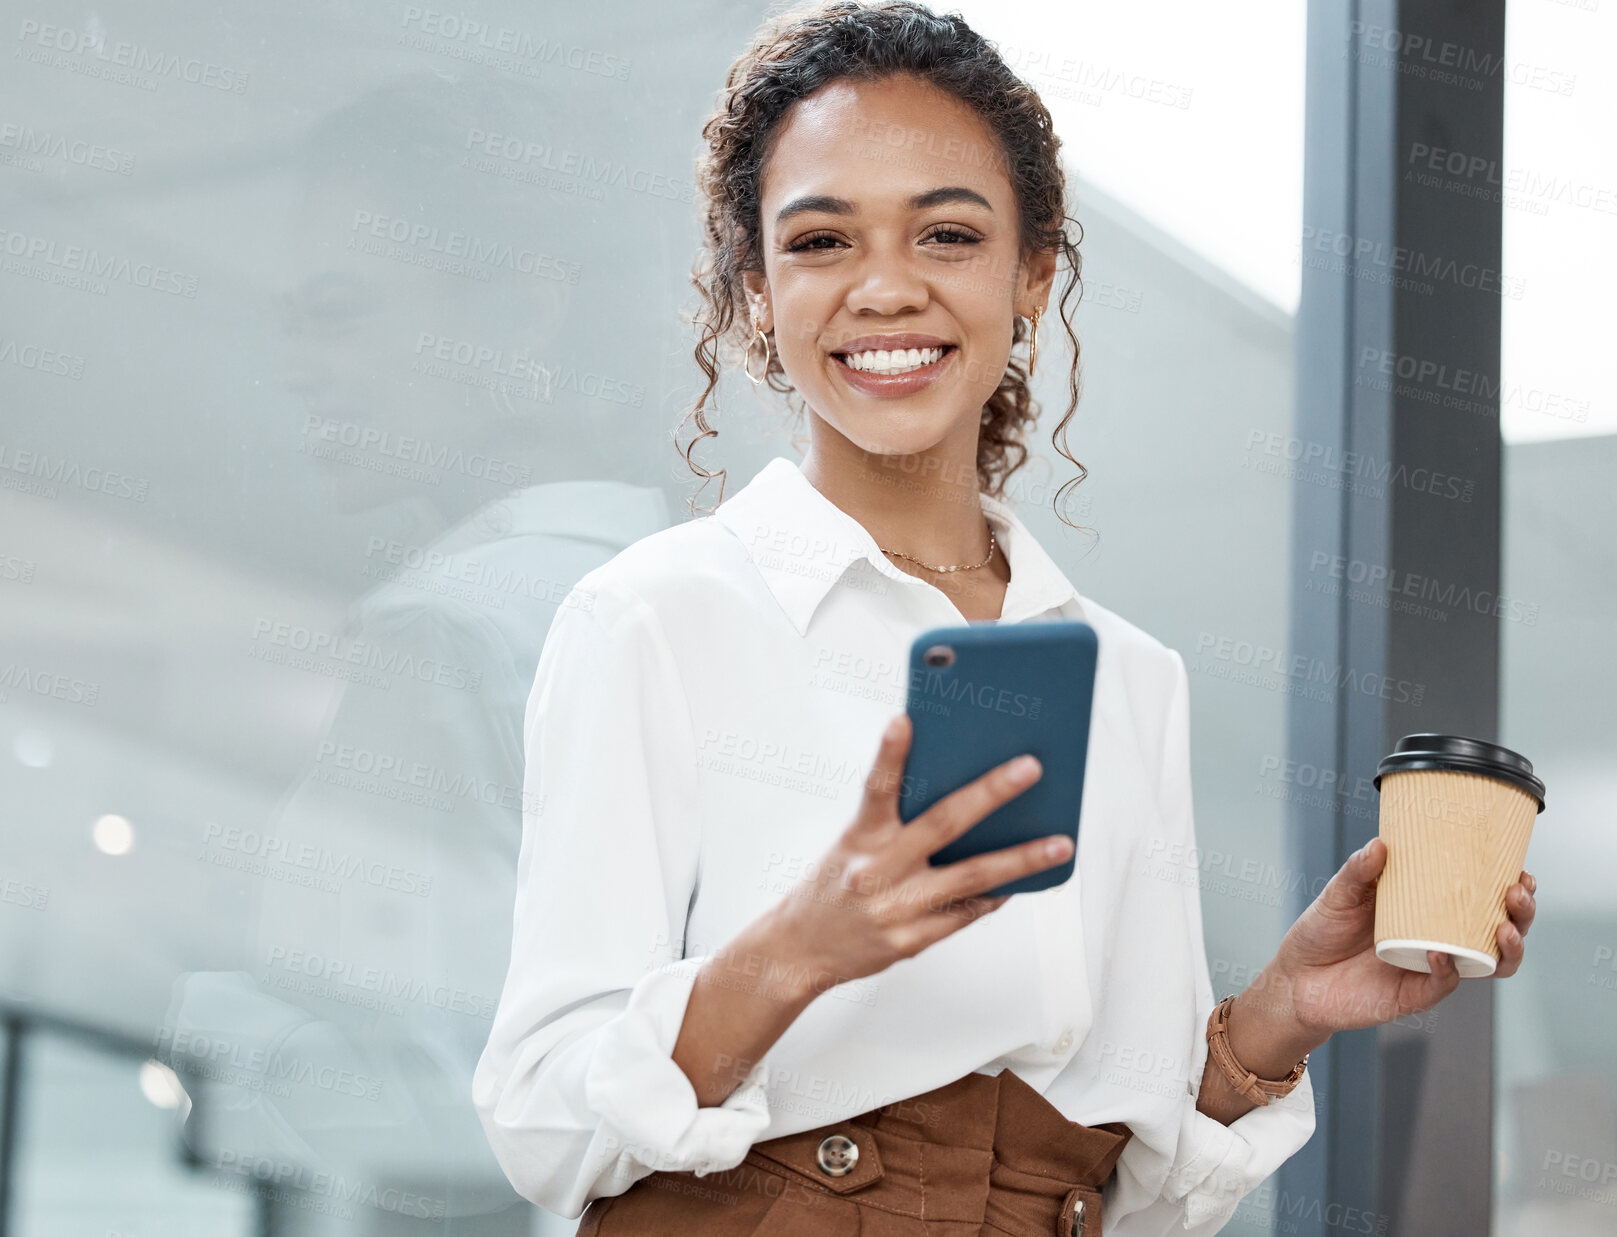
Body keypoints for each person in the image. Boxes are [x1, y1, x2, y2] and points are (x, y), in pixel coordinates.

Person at [472, 4, 1540, 1234]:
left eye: (947, 232)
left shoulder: (1128, 675)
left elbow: (1134, 1187)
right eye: (821, 239)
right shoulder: (653, 618)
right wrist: (804, 947)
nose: (885, 287)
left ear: (1033, 270)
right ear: (754, 287)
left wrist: (1281, 1016)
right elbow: (542, 1121)